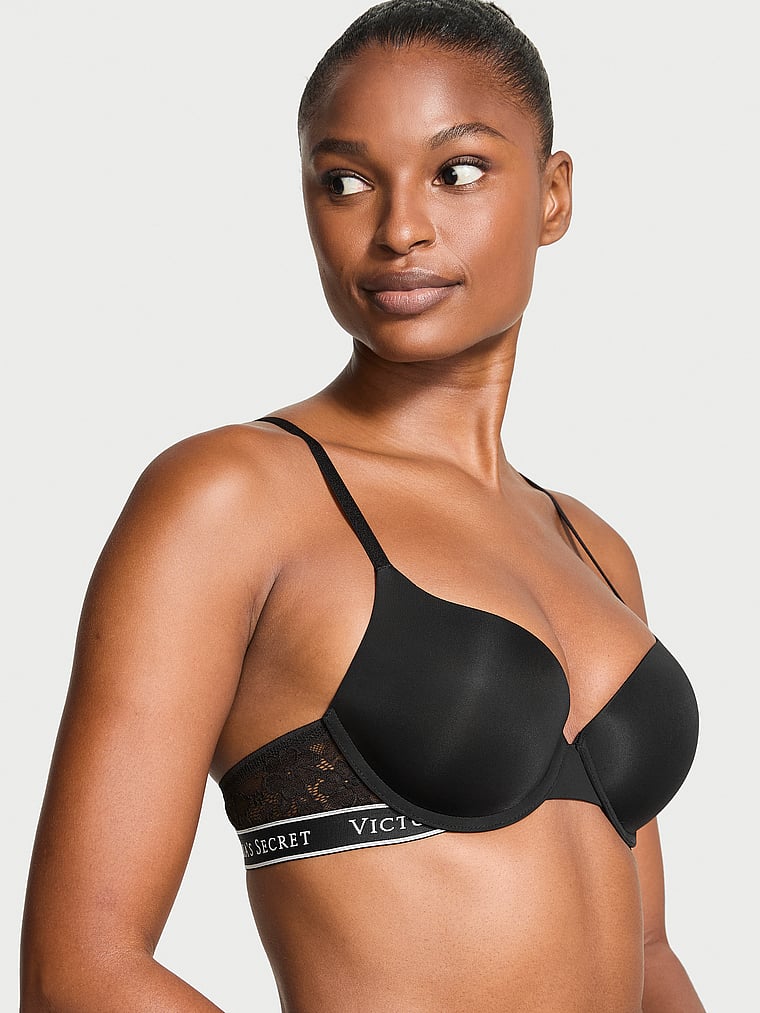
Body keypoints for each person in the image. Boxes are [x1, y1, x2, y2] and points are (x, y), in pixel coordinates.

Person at [20, 1, 704, 1010]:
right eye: (345, 181)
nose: (400, 229)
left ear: (553, 195)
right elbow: (80, 968)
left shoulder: (595, 546)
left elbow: (646, 952)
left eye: (456, 171)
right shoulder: (233, 498)